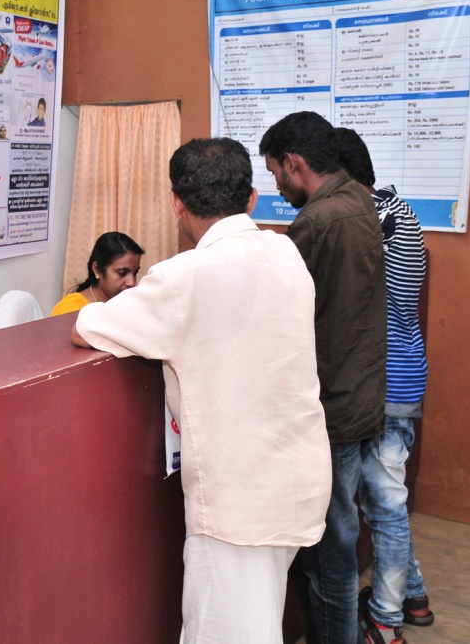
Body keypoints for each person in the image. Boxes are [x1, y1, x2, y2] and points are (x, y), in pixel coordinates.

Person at [72, 137, 331, 642]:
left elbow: (87, 328)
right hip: (296, 482)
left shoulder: (183, 278)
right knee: (256, 623)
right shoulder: (285, 251)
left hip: (237, 504)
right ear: (251, 198)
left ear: (176, 203)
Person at [259, 112, 388, 644]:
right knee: (339, 536)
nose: (276, 187)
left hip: (330, 410)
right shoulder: (361, 201)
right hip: (360, 399)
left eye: (275, 175)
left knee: (329, 554)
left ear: (295, 164)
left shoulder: (315, 222)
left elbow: (276, 311)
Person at [334, 128, 436, 642]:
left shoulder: (367, 221)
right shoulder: (399, 209)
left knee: (385, 506)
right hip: (404, 373)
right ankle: (412, 596)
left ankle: (385, 620)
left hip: (384, 381)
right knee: (386, 500)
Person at [50, 231, 143, 316]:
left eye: (135, 273)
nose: (132, 282)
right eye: (122, 273)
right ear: (96, 269)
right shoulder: (72, 309)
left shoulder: (127, 303)